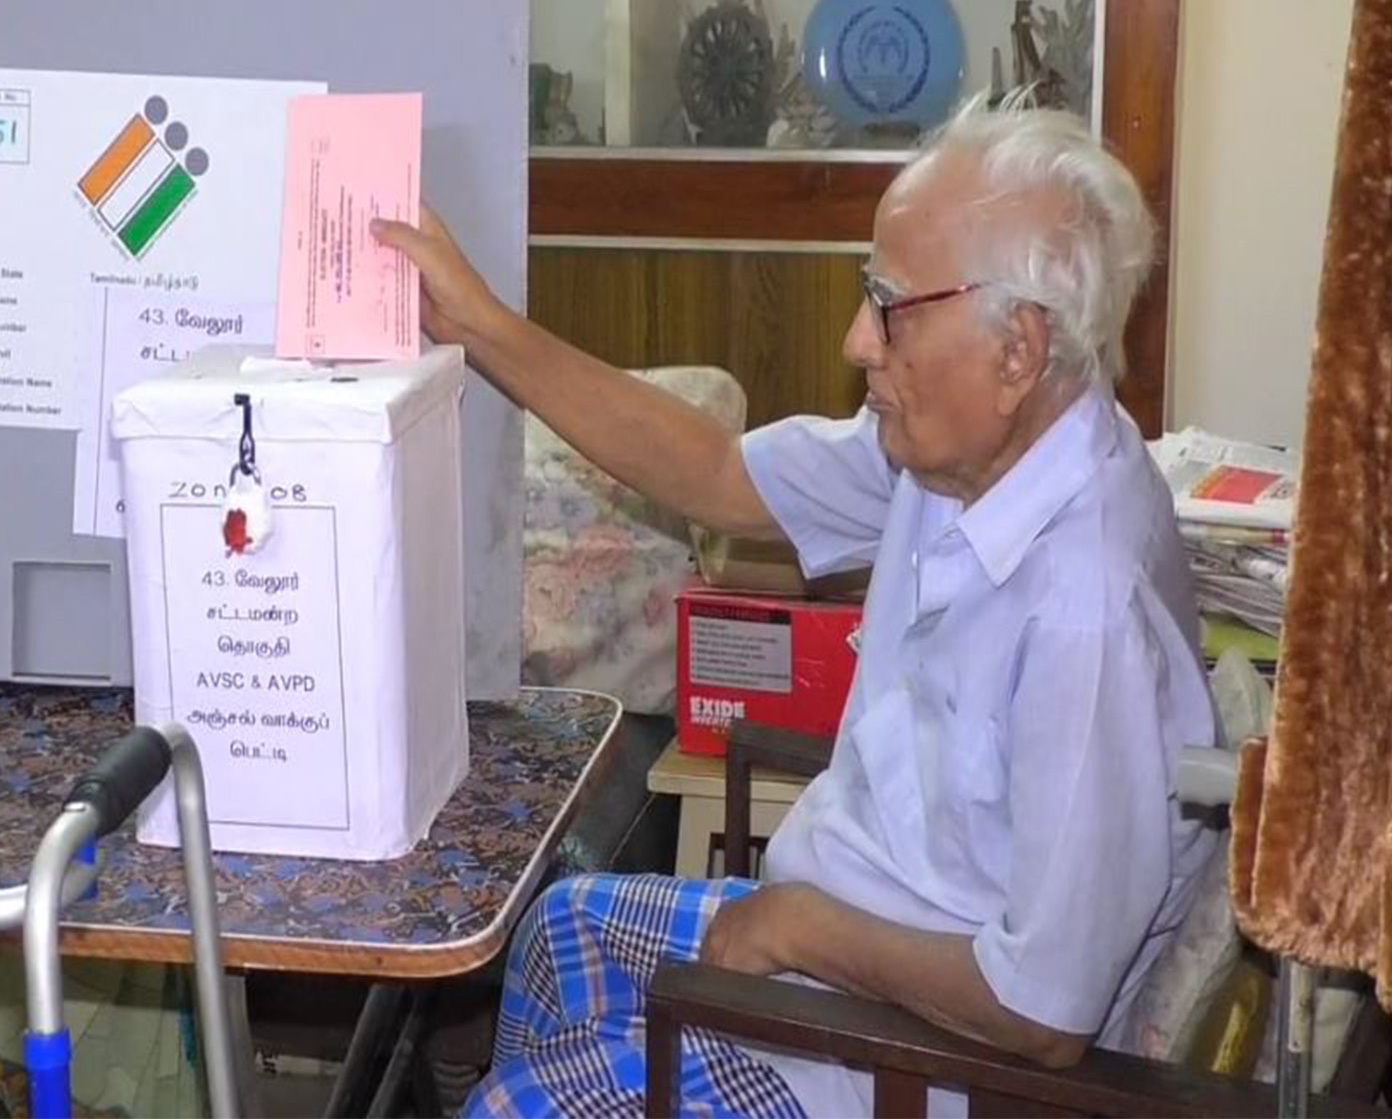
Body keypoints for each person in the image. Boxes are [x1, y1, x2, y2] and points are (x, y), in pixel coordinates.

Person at [373, 98, 1217, 1118]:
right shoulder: (967, 452)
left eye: (891, 305)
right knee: (559, 932)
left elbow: (1042, 1011)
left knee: (513, 1109)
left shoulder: (1085, 608)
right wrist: (478, 328)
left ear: (1016, 350)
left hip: (904, 1057)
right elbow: (719, 471)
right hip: (846, 930)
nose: (858, 339)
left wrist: (799, 931)